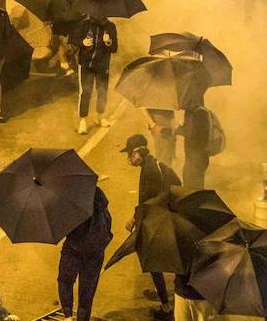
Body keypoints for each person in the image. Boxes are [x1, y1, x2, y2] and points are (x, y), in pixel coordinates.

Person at [122, 133, 181, 316]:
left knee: (153, 260)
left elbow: (152, 197)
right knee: (156, 259)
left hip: (154, 220)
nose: (129, 159)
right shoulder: (153, 164)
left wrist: (134, 217)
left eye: (130, 154)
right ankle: (163, 295)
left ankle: (166, 307)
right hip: (160, 217)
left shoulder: (149, 170)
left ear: (138, 153)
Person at [57, 185, 112, 321]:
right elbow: (107, 220)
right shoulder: (97, 193)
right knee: (87, 292)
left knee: (65, 281)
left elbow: (62, 225)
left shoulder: (67, 197)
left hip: (73, 248)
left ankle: (68, 316)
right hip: (95, 251)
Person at [71, 15, 117, 134]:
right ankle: (83, 121)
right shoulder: (84, 24)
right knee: (86, 92)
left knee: (102, 91)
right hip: (86, 65)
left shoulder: (110, 26)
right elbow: (72, 39)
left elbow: (114, 48)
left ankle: (100, 117)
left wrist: (108, 42)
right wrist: (83, 42)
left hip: (102, 65)